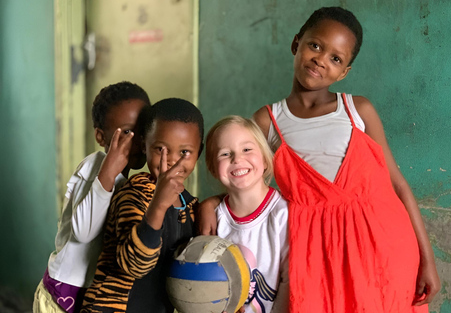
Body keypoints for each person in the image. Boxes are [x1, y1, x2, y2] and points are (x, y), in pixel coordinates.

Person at [199, 7, 440, 312]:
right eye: (315, 46)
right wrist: (211, 203)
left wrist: (427, 259)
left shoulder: (358, 111)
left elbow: (399, 186)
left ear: (344, 72)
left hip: (384, 246)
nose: (321, 59)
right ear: (296, 43)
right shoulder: (267, 120)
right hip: (317, 253)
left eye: (336, 58)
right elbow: (245, 177)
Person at [33, 81, 151, 313]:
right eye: (127, 131)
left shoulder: (131, 185)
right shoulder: (94, 166)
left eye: (143, 130)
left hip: (91, 295)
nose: (137, 141)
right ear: (101, 136)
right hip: (61, 296)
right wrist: (107, 173)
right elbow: (84, 232)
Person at [80, 98, 204, 313]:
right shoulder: (134, 194)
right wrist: (158, 205)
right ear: (144, 145)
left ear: (198, 153)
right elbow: (134, 265)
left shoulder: (189, 205)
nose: (172, 161)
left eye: (184, 152)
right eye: (160, 149)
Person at [205, 116, 289, 313]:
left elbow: (291, 280)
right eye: (225, 154)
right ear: (213, 169)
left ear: (265, 159)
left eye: (247, 149)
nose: (237, 159)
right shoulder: (213, 219)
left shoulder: (283, 213)